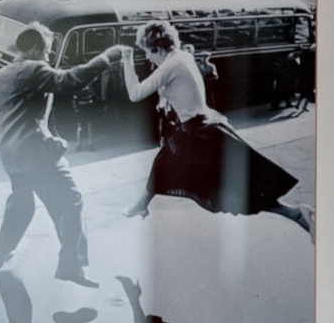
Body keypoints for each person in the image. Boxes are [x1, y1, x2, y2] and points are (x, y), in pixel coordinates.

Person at [119, 18, 313, 235]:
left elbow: (135, 94)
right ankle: (140, 206)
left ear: (157, 48)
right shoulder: (182, 56)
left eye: (147, 52)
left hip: (198, 133)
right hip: (202, 126)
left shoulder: (169, 66)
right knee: (164, 164)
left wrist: (126, 59)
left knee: (231, 193)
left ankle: (295, 212)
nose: (147, 57)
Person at [0, 21, 118, 286]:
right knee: (71, 201)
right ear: (34, 48)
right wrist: (105, 58)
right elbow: (69, 81)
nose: (50, 55)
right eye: (48, 49)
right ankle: (71, 266)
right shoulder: (33, 69)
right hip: (37, 154)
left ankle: (2, 253)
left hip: (11, 156)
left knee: (22, 204)